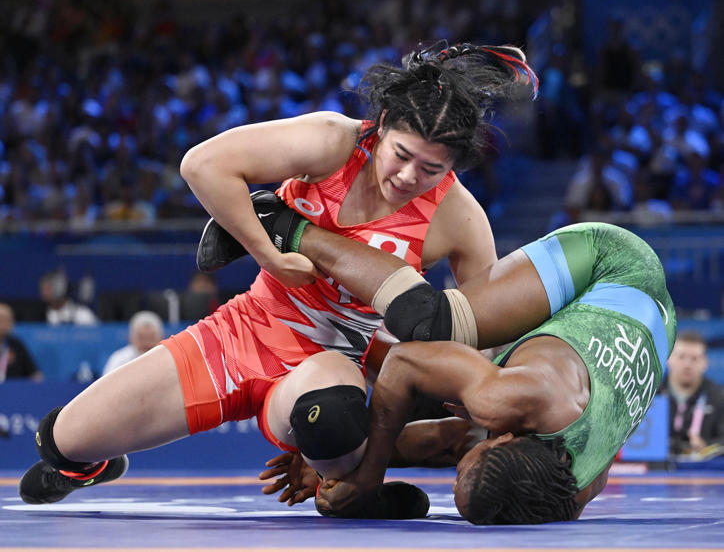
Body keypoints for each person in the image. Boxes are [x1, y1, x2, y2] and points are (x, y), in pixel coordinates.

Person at [18, 41, 538, 506]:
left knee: (330, 419)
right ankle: (90, 465)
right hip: (241, 332)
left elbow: (484, 329)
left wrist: (466, 402)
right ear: (381, 126)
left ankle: (351, 472)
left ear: (454, 167)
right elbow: (202, 164)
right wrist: (268, 255)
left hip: (328, 364)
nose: (407, 177)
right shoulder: (332, 141)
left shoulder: (460, 218)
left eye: (431, 169)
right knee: (60, 441)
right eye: (401, 155)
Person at [245, 215, 676, 523]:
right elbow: (404, 362)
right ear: (505, 437)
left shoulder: (570, 492)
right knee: (434, 322)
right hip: (613, 267)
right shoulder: (511, 398)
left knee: (452, 410)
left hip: (658, 324)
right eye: (463, 472)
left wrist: (339, 466)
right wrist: (369, 475)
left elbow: (449, 442)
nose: (453, 476)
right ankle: (287, 226)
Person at [659, 330, 724, 457]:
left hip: (702, 467)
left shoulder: (719, 397)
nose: (687, 364)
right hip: (655, 466)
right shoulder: (652, 395)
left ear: (705, 363)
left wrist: (707, 447)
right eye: (681, 357)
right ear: (669, 359)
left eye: (694, 358)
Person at [101, 311, 165, 376]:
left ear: (161, 337)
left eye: (151, 337)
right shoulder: (120, 359)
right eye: (141, 337)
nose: (146, 343)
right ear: (131, 337)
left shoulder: (166, 358)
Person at [0, 302, 43, 382]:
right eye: (1, 319)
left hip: (14, 388)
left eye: (8, 320)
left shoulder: (16, 345)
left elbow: (35, 374)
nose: (4, 324)